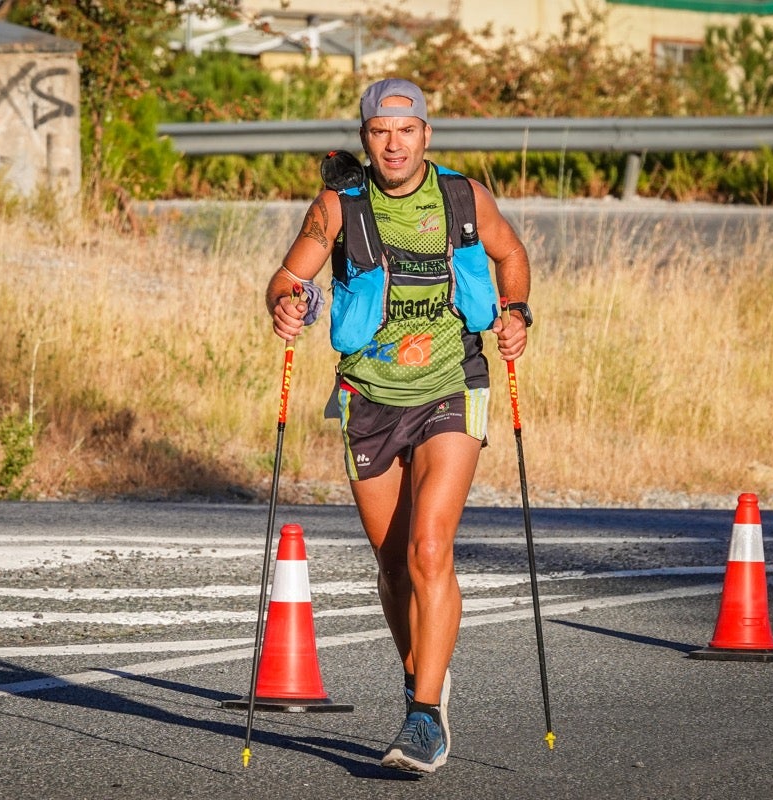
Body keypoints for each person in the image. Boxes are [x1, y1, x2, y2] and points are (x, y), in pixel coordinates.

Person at [264, 78, 532, 774]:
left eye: (405, 130)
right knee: (391, 568)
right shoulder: (337, 207)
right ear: (365, 139)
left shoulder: (462, 199)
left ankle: (421, 717)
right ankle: (425, 685)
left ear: (426, 135)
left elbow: (511, 255)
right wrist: (288, 304)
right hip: (369, 396)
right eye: (380, 131)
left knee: (428, 548)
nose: (393, 143)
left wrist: (518, 313)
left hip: (452, 385)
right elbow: (287, 277)